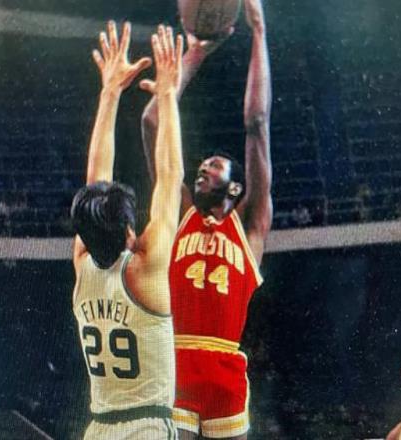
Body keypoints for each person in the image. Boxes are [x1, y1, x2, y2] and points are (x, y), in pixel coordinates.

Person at [141, 0, 272, 438]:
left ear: (235, 189)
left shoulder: (249, 228)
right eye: (202, 164)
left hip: (225, 369)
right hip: (176, 362)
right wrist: (196, 53)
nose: (202, 167)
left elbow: (257, 122)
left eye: (214, 165)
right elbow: (152, 121)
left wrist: (258, 32)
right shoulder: (180, 214)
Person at [70, 20, 184, 439]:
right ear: (130, 232)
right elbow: (170, 177)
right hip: (146, 427)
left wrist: (109, 92)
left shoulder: (82, 264)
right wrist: (167, 94)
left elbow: (94, 182)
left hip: (98, 428)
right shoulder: (144, 270)